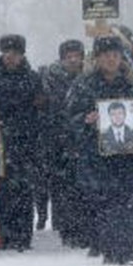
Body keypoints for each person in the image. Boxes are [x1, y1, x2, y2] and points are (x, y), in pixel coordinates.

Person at [65, 35, 133, 265]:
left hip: (128, 155)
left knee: (127, 202)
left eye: (115, 54)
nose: (111, 59)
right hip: (97, 156)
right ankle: (110, 249)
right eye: (106, 55)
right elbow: (70, 118)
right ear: (97, 58)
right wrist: (86, 119)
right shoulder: (84, 85)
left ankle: (126, 250)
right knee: (105, 203)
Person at [0, 34, 44, 251]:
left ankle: (22, 237)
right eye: (7, 52)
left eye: (15, 53)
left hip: (24, 144)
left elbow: (41, 110)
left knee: (23, 193)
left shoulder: (32, 78)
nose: (10, 57)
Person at [40, 39, 87, 247]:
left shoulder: (89, 79)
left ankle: (82, 229)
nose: (73, 59)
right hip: (57, 142)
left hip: (83, 141)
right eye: (69, 56)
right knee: (62, 190)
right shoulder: (49, 80)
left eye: (77, 55)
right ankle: (67, 229)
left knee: (83, 188)